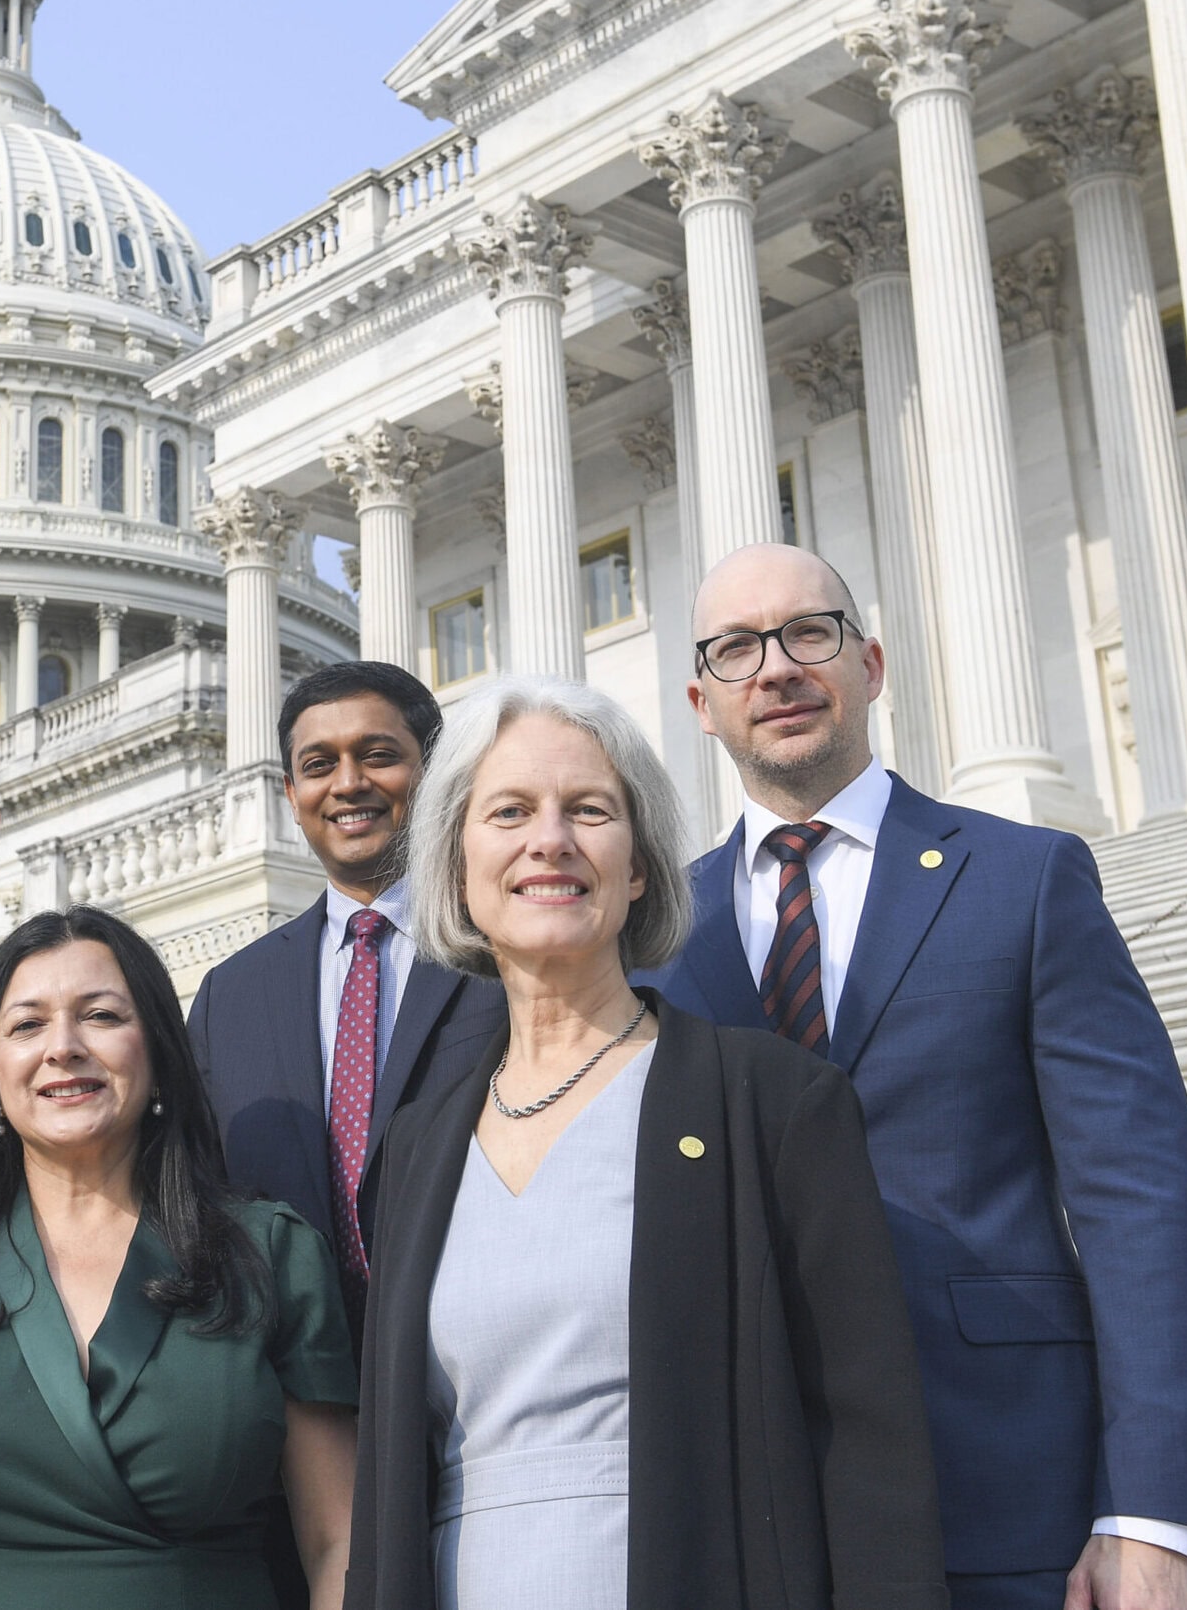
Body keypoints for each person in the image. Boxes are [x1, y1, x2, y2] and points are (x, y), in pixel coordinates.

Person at [661, 543, 1187, 1610]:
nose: (775, 667)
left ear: (871, 661)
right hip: (749, 1508)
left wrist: (1151, 1514)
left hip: (1010, 1492)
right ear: (702, 699)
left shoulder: (1025, 877)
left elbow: (1137, 1194)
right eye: (737, 647)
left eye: (809, 632)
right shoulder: (655, 936)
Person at [348, 675, 946, 1610]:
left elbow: (870, 1449)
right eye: (509, 811)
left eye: (589, 810)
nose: (551, 839)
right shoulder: (419, 1143)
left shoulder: (773, 1103)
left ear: (637, 868)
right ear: (457, 864)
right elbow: (393, 1471)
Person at [0, 905, 359, 1610]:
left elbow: (337, 1544)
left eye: (101, 1016)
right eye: (27, 1024)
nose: (63, 1046)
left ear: (160, 1055)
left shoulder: (271, 1253)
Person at [188, 661, 503, 1331]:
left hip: (482, 1376)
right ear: (290, 789)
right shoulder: (230, 998)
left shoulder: (508, 951)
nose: (349, 783)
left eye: (378, 756)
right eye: (319, 764)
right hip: (306, 1395)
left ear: (436, 769)